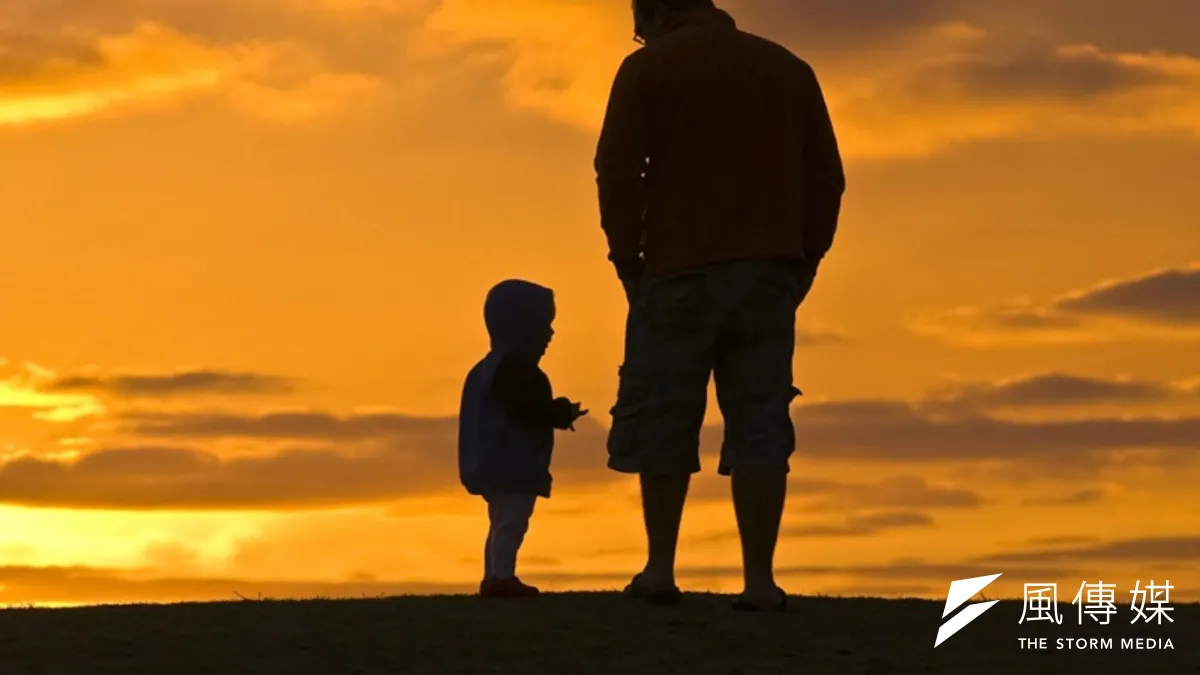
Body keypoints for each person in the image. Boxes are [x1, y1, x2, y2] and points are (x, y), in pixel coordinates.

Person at [595, 0, 845, 611]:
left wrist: (630, 263)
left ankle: (659, 570)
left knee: (665, 417)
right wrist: (802, 259)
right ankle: (759, 581)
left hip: (676, 268)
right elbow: (825, 180)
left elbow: (617, 173)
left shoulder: (648, 70)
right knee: (760, 420)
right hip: (768, 269)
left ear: (654, 12)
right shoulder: (788, 70)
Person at [458, 279, 588, 598]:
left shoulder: (485, 370)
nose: (549, 335)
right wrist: (557, 413)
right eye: (544, 325)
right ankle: (501, 577)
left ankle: (494, 575)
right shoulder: (515, 371)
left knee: (500, 521)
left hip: (491, 462)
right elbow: (525, 410)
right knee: (512, 522)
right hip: (513, 463)